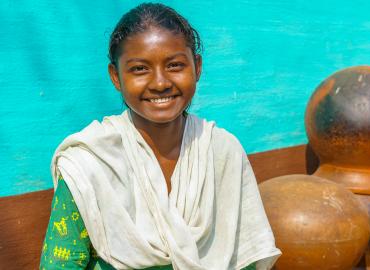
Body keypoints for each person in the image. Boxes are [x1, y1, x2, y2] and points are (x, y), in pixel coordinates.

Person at [40, 3, 281, 269]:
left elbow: (246, 259)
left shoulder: (223, 152)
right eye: (140, 69)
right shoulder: (90, 163)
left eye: (175, 65)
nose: (160, 83)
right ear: (116, 77)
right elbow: (62, 262)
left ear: (197, 67)